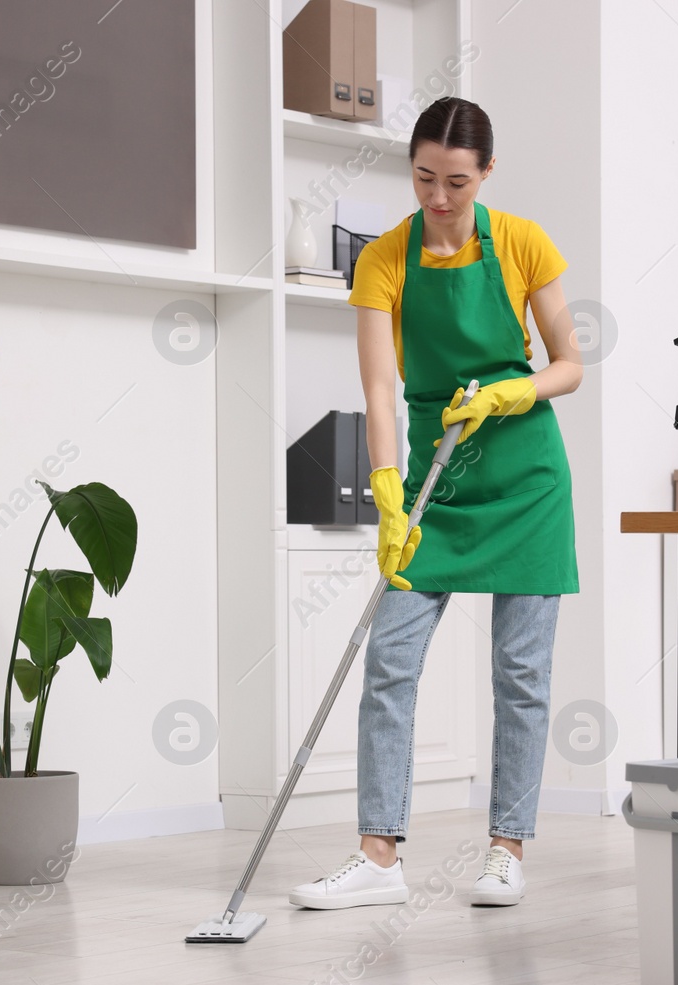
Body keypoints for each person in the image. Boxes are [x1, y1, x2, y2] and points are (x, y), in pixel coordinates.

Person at [289, 97, 582, 911]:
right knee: (391, 663)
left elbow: (569, 364)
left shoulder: (522, 242)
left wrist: (508, 393)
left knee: (519, 673)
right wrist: (387, 492)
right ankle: (379, 856)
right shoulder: (385, 258)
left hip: (527, 477)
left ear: (486, 173)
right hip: (436, 484)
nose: (439, 198)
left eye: (456, 181)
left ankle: (506, 848)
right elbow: (381, 390)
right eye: (424, 178)